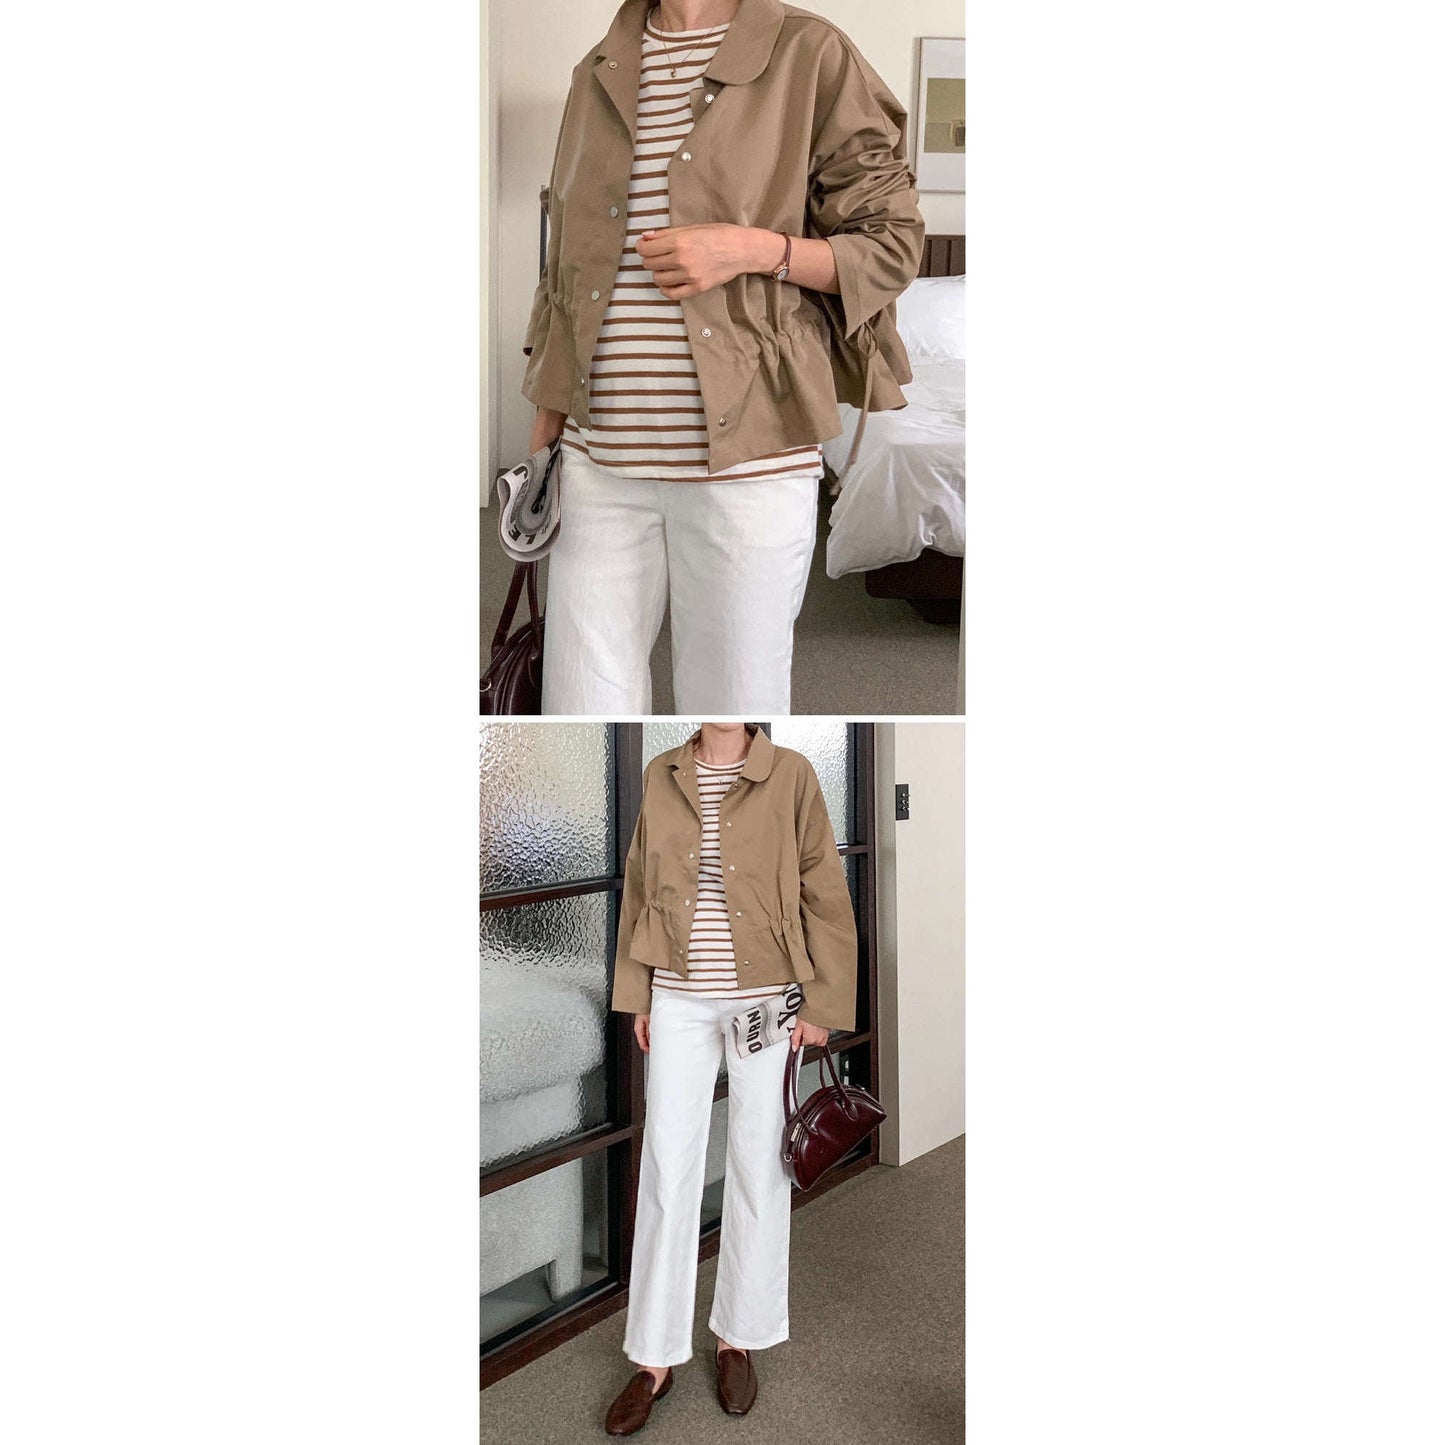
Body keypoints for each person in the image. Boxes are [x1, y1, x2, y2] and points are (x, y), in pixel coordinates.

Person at [520, 0, 924, 715]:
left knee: (732, 704)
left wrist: (752, 249)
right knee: (581, 710)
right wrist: (547, 427)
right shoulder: (598, 68)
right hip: (597, 460)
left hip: (748, 467)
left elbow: (891, 245)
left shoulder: (810, 53)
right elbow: (566, 267)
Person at [602, 722, 857, 1434]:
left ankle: (738, 1336)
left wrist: (823, 1003)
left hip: (767, 995)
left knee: (757, 1163)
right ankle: (653, 1355)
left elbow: (823, 888)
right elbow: (638, 886)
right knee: (667, 1164)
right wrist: (639, 994)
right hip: (678, 996)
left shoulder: (791, 773)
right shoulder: (663, 772)